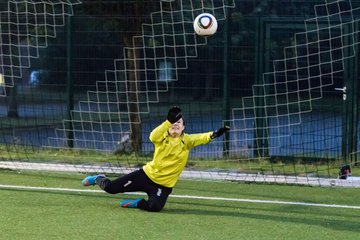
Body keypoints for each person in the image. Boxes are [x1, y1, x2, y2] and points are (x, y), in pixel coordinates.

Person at [82, 106, 230, 212]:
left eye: (179, 123)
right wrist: (168, 120)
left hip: (163, 186)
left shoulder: (187, 141)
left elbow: (203, 137)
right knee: (110, 188)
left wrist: (216, 133)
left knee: (154, 207)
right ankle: (98, 178)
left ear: (183, 128)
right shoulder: (161, 136)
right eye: (174, 123)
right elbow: (152, 136)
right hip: (145, 175)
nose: (176, 125)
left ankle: (138, 203)